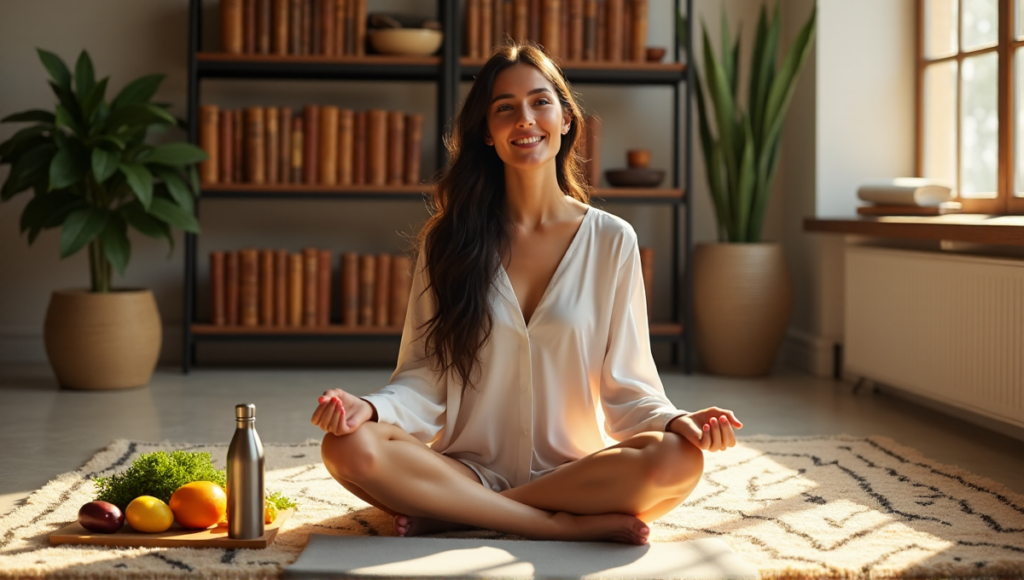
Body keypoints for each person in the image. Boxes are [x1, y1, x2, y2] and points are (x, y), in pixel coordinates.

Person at [311, 41, 742, 546]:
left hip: (574, 477)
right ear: (488, 135)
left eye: (540, 102)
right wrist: (371, 408)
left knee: (678, 459)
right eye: (504, 108)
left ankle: (456, 516)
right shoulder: (446, 240)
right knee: (346, 448)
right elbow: (424, 376)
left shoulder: (611, 240)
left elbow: (628, 387)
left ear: (565, 120)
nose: (525, 119)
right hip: (464, 470)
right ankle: (550, 524)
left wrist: (676, 420)